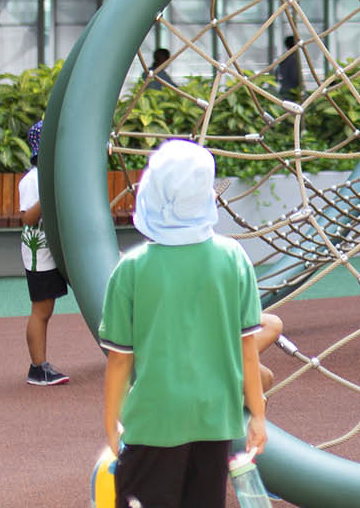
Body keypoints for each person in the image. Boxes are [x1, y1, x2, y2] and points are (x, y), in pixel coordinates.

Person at [99, 139, 267, 508]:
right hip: (215, 420)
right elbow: (247, 352)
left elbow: (120, 359)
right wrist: (257, 414)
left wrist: (112, 420)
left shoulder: (132, 268)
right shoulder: (234, 258)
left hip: (153, 422)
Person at [18, 119, 70, 386]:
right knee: (42, 309)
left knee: (45, 309)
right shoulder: (33, 180)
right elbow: (28, 218)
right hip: (40, 253)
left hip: (52, 249)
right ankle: (38, 367)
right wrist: (49, 193)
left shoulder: (47, 176)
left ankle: (40, 366)